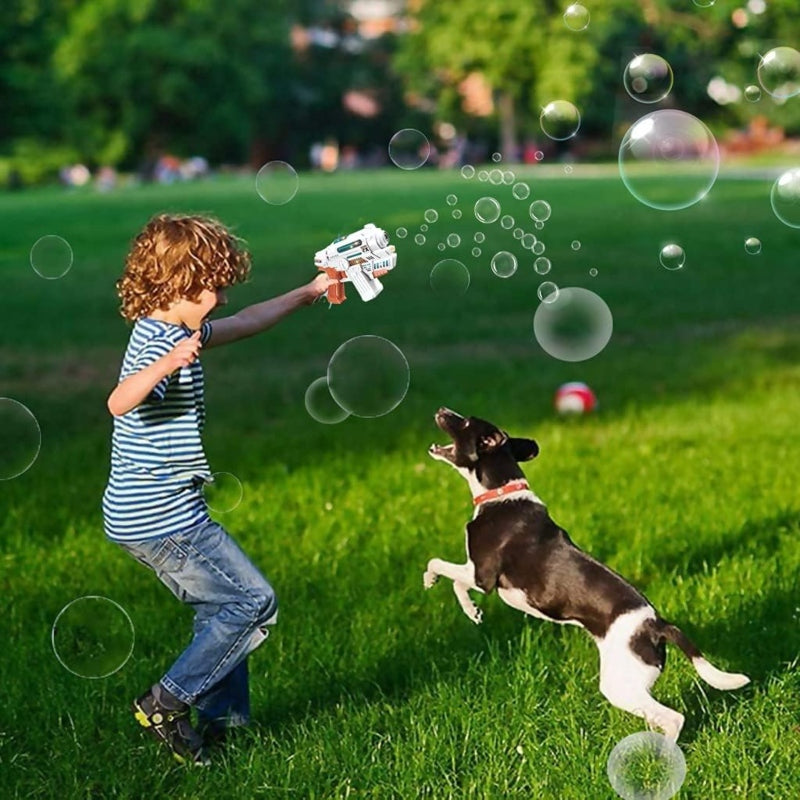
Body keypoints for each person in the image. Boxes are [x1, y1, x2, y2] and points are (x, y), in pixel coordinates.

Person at [103, 213, 329, 764]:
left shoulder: (182, 327)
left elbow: (251, 320)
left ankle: (224, 723)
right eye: (214, 287)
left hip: (155, 511)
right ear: (177, 286)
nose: (223, 299)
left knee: (220, 608)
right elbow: (118, 400)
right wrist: (165, 365)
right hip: (160, 518)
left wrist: (310, 291)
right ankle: (166, 702)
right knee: (253, 601)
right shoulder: (156, 342)